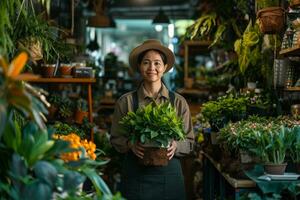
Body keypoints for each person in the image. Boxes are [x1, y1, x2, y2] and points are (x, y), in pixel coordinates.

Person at [110, 39, 194, 200]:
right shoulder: (126, 102)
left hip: (169, 178)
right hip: (135, 177)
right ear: (139, 66)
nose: (152, 68)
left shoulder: (178, 102)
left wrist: (176, 145)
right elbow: (115, 139)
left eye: (157, 63)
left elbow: (190, 142)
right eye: (146, 63)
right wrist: (129, 144)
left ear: (164, 67)